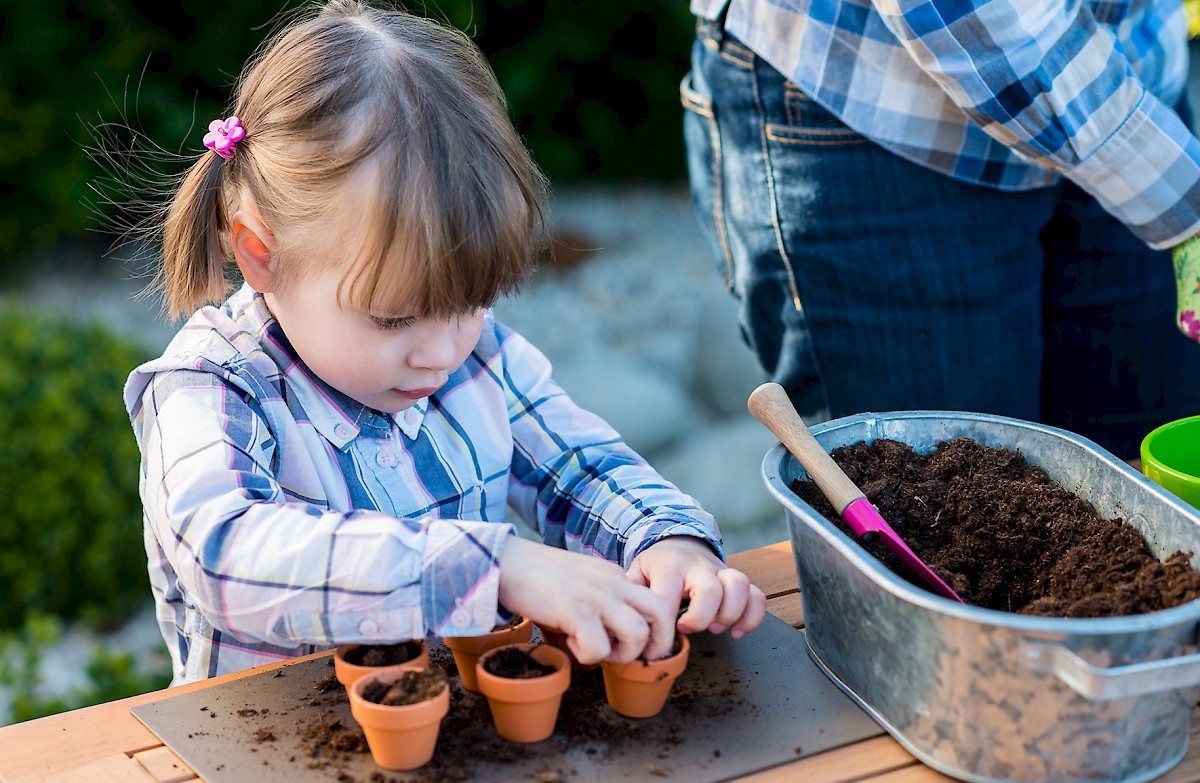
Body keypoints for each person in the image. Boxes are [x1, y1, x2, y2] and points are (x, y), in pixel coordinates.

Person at [122, 0, 765, 686]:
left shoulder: (476, 356)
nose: (441, 352)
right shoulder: (211, 386)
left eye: (470, 302)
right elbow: (226, 555)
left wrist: (667, 540)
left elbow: (580, 466)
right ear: (260, 255)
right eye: (393, 319)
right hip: (261, 754)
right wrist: (492, 566)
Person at [682, 0, 1200, 461]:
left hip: (1130, 77)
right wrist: (1181, 200)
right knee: (939, 528)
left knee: (1142, 502)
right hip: (876, 101)